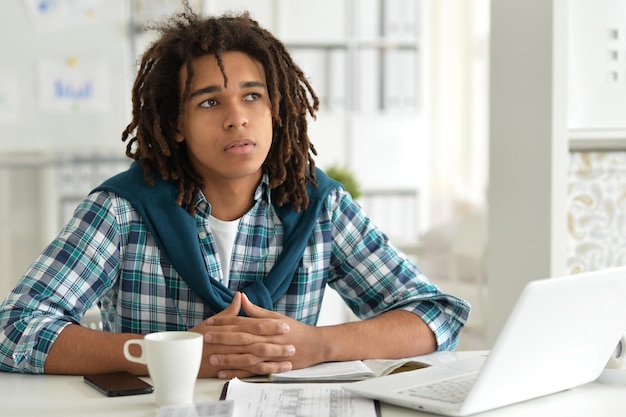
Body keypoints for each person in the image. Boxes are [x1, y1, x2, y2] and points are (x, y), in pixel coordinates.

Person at [0, 7, 470, 379]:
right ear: (176, 125)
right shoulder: (121, 209)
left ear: (277, 108)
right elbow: (14, 328)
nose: (236, 118)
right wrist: (167, 354)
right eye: (209, 102)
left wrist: (317, 344)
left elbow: (435, 315)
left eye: (252, 96)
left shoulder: (320, 206)